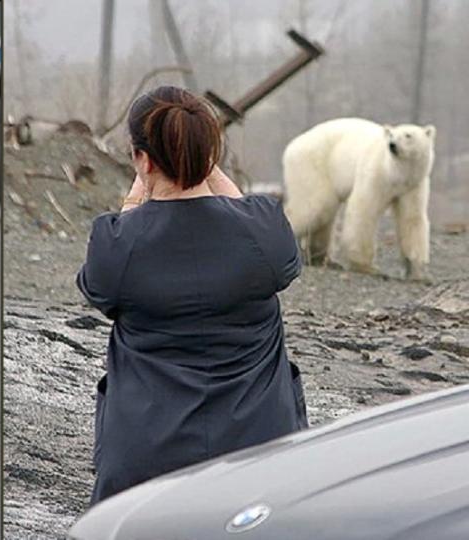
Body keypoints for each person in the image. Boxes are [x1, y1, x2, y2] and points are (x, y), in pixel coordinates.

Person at [77, 86, 308, 505]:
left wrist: (137, 195)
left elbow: (101, 284)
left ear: (142, 159)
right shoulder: (265, 230)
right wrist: (205, 168)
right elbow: (255, 226)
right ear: (210, 154)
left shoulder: (116, 242)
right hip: (260, 453)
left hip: (144, 464)